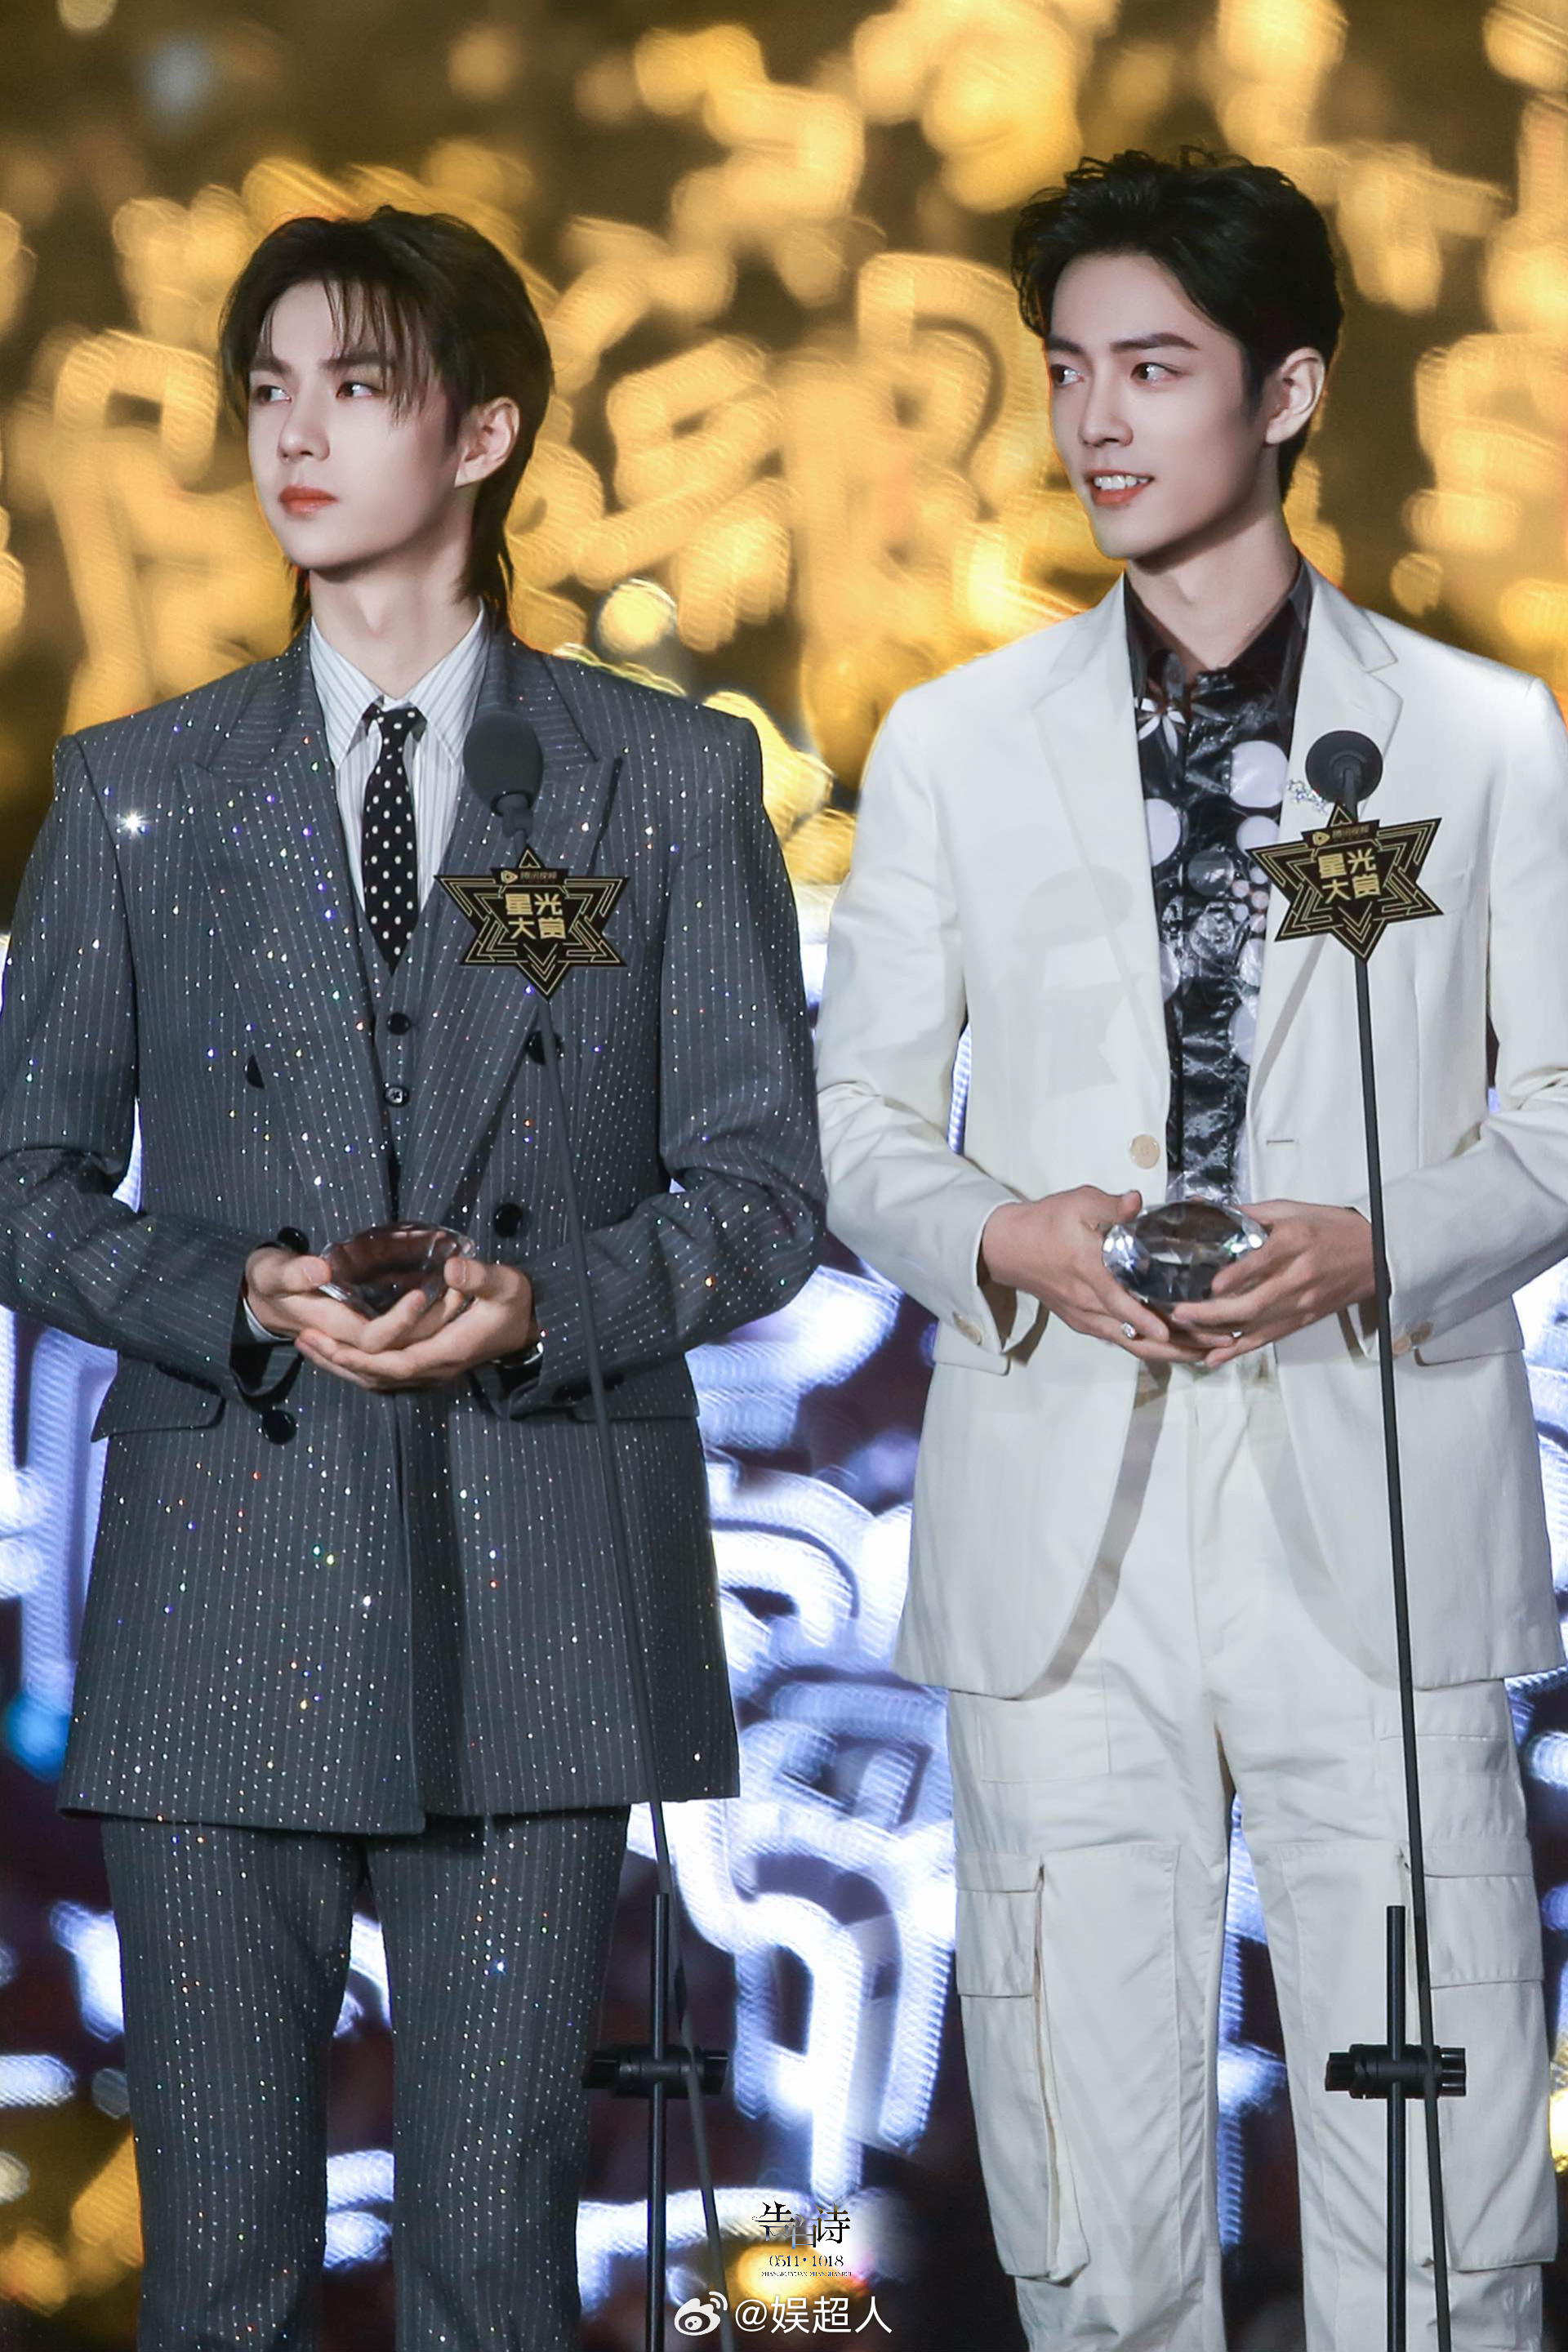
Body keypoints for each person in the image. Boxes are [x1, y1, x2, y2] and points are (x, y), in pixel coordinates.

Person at [0, 204, 823, 2349]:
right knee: (221, 2273)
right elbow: (21, 1181)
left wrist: (553, 1303)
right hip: (222, 1584)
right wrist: (231, 1287)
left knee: (494, 2259)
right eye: (266, 390)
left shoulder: (665, 781)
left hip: (536, 1580)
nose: (292, 436)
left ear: (482, 433)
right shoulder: (141, 790)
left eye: (353, 388)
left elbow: (761, 1190)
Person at [816, 148, 1567, 2348]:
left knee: (1437, 2181)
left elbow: (1560, 1106)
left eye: (1153, 367)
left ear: (1289, 390)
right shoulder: (954, 746)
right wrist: (1006, 1232)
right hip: (1066, 1510)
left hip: (1379, 1486)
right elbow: (858, 1128)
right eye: (1069, 370)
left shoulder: (1481, 735)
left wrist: (1374, 1243)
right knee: (1087, 2188)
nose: (1097, 421)